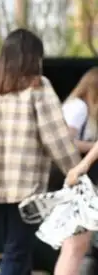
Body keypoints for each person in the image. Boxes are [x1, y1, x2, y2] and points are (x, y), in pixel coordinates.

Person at [0, 29, 80, 275]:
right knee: (17, 251)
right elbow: (55, 135)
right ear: (34, 58)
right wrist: (75, 170)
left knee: (16, 250)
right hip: (25, 187)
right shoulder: (37, 88)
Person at [57, 68, 98, 275]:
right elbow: (67, 142)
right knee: (75, 245)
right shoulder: (79, 108)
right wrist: (93, 149)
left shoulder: (75, 106)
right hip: (78, 180)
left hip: (78, 178)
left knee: (77, 244)